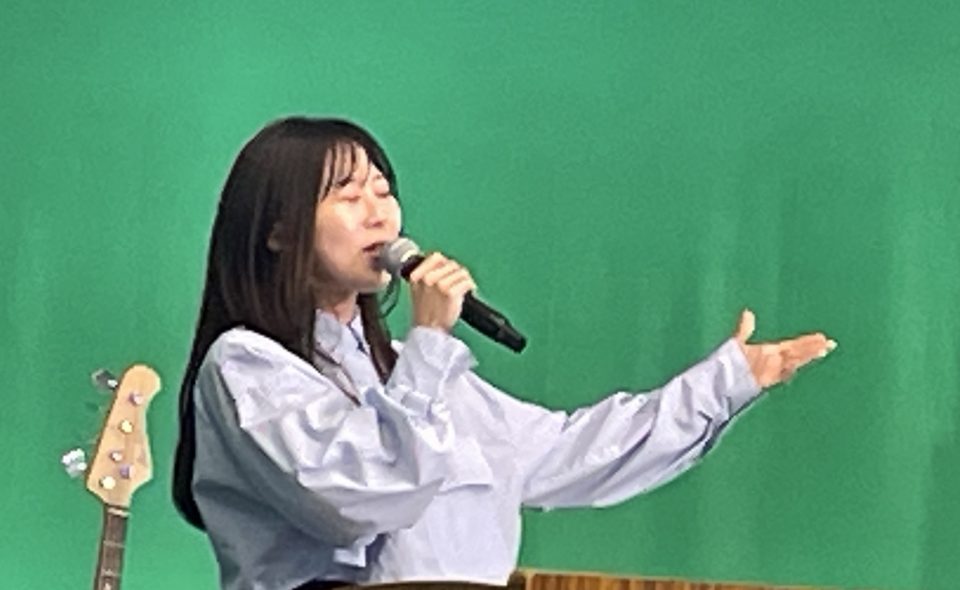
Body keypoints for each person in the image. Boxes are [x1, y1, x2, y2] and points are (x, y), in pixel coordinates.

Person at [172, 116, 836, 590]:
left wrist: (726, 382)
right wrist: (431, 343)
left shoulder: (413, 369)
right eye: (348, 196)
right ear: (278, 233)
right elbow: (358, 499)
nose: (380, 214)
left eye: (383, 190)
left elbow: (569, 451)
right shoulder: (247, 365)